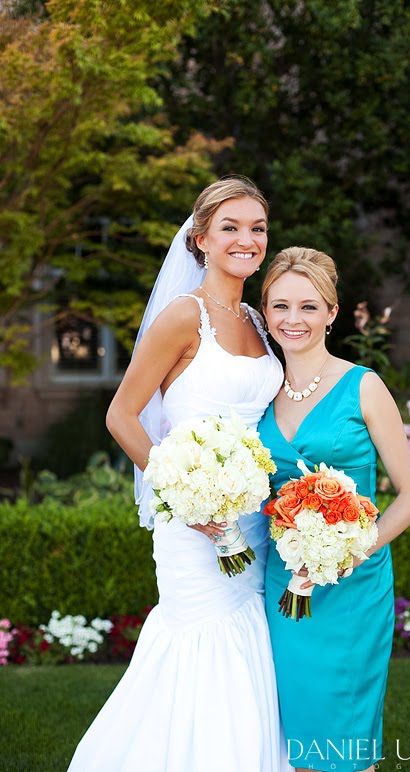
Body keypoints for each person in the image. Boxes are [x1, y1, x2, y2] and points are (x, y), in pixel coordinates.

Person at [68, 177, 291, 772]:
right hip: (192, 521)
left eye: (257, 228)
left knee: (253, 648)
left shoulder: (257, 318)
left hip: (254, 514)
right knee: (202, 645)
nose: (247, 239)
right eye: (231, 227)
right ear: (200, 239)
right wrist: (185, 493)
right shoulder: (182, 316)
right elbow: (121, 415)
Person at [258, 247, 410, 772]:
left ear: (332, 313)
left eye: (309, 307)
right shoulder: (260, 393)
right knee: (297, 739)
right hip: (283, 584)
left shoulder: (364, 386)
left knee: (345, 744)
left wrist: (350, 552)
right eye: (280, 306)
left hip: (352, 584)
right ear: (264, 311)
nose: (293, 319)